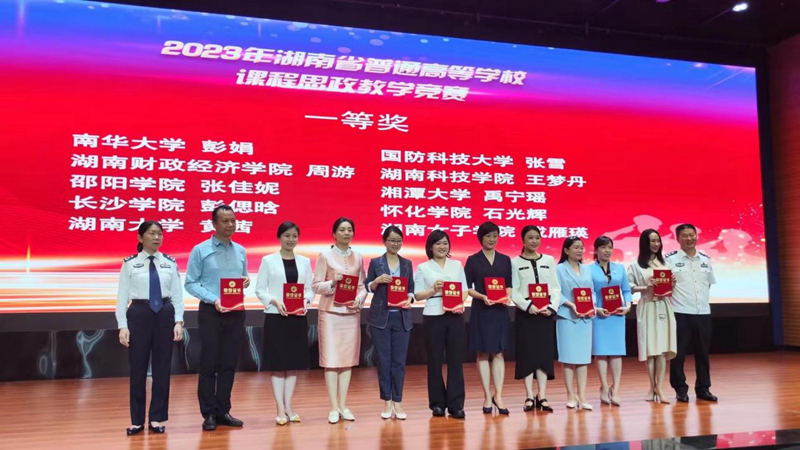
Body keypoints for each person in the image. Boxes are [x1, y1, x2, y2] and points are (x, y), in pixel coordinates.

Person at [185, 205, 250, 431]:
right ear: (214, 224)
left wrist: (246, 281)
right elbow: (190, 283)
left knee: (229, 363)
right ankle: (209, 413)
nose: (230, 224)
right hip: (211, 312)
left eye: (233, 220)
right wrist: (214, 299)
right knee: (209, 363)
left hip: (236, 312)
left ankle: (223, 410)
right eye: (225, 221)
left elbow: (243, 277)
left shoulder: (240, 250)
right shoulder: (200, 250)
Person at [117, 221, 184, 436]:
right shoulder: (130, 263)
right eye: (152, 233)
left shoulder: (169, 263)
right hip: (139, 314)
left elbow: (177, 295)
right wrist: (122, 325)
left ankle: (156, 418)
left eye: (160, 234)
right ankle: (137, 421)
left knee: (162, 368)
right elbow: (121, 298)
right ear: (140, 237)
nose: (157, 237)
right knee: (137, 369)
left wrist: (179, 321)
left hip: (164, 313)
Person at [255, 221, 314, 425]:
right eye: (287, 235)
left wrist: (306, 301)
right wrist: (274, 301)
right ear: (279, 237)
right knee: (278, 365)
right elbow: (259, 289)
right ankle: (279, 409)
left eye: (294, 236)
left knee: (293, 365)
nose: (291, 239)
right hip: (276, 317)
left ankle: (289, 407)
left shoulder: (304, 262)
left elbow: (309, 289)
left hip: (297, 317)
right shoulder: (268, 260)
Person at [312, 217, 367, 424]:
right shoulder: (325, 255)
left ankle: (343, 405)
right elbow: (316, 286)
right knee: (331, 360)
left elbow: (362, 286)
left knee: (347, 361)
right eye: (342, 230)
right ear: (334, 234)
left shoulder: (358, 257)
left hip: (350, 314)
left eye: (349, 230)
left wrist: (359, 300)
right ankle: (333, 407)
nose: (346, 233)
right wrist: (332, 283)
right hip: (330, 313)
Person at [413, 230, 468, 419]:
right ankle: (437, 403)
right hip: (433, 315)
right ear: (430, 247)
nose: (442, 247)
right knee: (435, 360)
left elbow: (464, 290)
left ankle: (456, 404)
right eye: (438, 243)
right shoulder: (423, 267)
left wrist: (457, 303)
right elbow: (417, 294)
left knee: (455, 360)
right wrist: (432, 289)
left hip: (455, 316)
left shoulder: (457, 265)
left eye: (445, 243)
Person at [366, 226, 415, 420]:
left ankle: (398, 401)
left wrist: (410, 298)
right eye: (392, 240)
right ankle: (387, 400)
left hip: (402, 317)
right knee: (384, 360)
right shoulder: (375, 262)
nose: (395, 244)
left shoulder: (407, 263)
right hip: (381, 318)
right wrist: (377, 281)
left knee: (399, 362)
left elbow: (411, 287)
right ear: (384, 241)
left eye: (398, 240)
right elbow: (368, 287)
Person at [464, 221, 513, 415]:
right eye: (488, 236)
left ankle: (498, 395)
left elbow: (509, 284)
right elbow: (467, 287)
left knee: (499, 353)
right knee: (483, 353)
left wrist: (507, 296)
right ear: (481, 238)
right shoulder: (473, 260)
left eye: (495, 236)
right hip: (481, 310)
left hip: (500, 310)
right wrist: (482, 296)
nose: (492, 239)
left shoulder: (505, 260)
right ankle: (486, 395)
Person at [511, 225, 560, 413]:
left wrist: (551, 307)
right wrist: (528, 306)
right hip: (526, 315)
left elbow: (555, 288)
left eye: (537, 237)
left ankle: (542, 395)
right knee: (527, 355)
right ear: (523, 240)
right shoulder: (515, 262)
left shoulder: (548, 260)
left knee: (543, 355)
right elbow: (514, 290)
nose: (534, 241)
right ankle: (529, 395)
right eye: (530, 238)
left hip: (545, 314)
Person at [666, 223, 718, 403]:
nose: (689, 238)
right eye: (685, 235)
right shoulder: (669, 260)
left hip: (703, 312)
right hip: (680, 312)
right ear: (677, 239)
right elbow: (665, 286)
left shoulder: (705, 259)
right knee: (678, 354)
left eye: (692, 235)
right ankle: (680, 389)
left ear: (696, 236)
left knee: (703, 353)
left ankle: (703, 388)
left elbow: (708, 284)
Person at [627, 229, 676, 404]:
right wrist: (646, 287)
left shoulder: (666, 263)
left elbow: (670, 287)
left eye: (658, 240)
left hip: (664, 306)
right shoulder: (636, 265)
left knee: (662, 349)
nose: (656, 244)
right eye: (652, 241)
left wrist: (673, 283)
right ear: (644, 243)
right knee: (650, 349)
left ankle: (660, 388)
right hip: (647, 305)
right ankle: (651, 386)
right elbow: (629, 287)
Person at [589, 236, 632, 406]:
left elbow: (626, 290)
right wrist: (595, 307)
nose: (607, 251)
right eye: (603, 247)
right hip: (600, 314)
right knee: (600, 352)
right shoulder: (588, 269)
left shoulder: (619, 268)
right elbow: (589, 292)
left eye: (609, 247)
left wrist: (628, 305)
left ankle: (616, 389)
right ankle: (604, 386)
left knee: (616, 352)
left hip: (617, 314)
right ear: (596, 250)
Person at [555, 236, 596, 410]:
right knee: (568, 357)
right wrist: (571, 304)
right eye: (576, 247)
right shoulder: (559, 269)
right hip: (567, 316)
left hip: (585, 317)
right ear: (566, 250)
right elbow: (556, 292)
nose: (580, 250)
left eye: (581, 247)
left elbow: (592, 291)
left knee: (583, 359)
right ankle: (570, 395)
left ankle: (582, 395)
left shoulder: (586, 269)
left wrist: (591, 305)